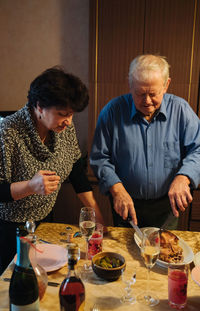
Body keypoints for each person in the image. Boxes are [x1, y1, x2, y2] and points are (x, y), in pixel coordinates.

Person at [0, 67, 104, 275]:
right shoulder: (8, 133)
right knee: (16, 285)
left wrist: (95, 212)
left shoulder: (63, 128)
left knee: (45, 279)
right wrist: (30, 186)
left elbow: (74, 168)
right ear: (39, 106)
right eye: (62, 114)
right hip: (10, 229)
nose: (68, 121)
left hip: (45, 222)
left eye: (71, 114)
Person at [90, 54, 200, 229]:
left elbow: (198, 149)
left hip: (166, 205)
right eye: (140, 93)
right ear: (130, 85)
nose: (147, 101)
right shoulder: (112, 112)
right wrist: (117, 190)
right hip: (125, 202)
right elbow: (99, 158)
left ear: (166, 85)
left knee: (164, 253)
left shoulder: (181, 110)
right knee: (126, 254)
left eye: (153, 94)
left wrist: (183, 177)